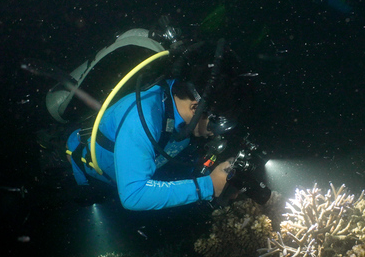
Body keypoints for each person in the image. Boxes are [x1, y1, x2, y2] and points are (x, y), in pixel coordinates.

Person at [64, 40, 247, 211]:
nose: (215, 134)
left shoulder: (178, 104)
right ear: (195, 108)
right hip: (82, 171)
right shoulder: (143, 118)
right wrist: (208, 186)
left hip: (115, 177)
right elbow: (133, 195)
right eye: (216, 125)